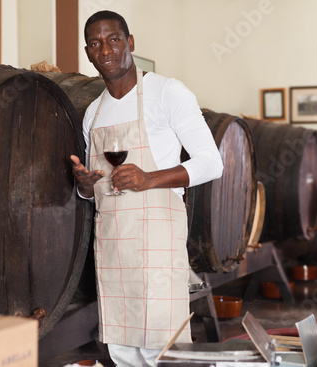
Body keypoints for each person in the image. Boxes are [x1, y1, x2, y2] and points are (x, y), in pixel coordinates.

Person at [70, 10, 223, 367]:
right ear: (88, 52)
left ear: (131, 43)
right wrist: (85, 186)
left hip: (156, 237)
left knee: (161, 341)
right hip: (112, 241)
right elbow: (94, 190)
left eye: (114, 40)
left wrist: (150, 179)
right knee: (121, 346)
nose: (105, 50)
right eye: (95, 43)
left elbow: (211, 163)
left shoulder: (167, 92)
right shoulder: (92, 113)